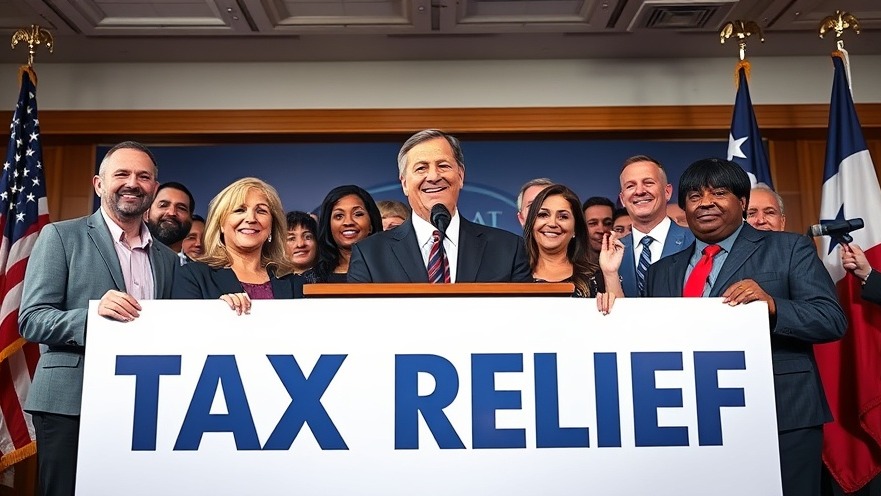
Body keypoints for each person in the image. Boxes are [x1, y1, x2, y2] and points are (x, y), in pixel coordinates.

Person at [645, 157, 846, 496]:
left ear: (741, 202)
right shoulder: (662, 270)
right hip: (693, 420)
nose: (705, 203)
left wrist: (773, 305)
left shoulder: (789, 248)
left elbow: (831, 319)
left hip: (783, 414)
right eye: (694, 196)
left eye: (719, 193)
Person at [19, 141, 179, 496]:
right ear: (99, 184)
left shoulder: (167, 259)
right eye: (121, 173)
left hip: (140, 401)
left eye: (144, 176)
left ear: (153, 187)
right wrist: (94, 316)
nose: (132, 183)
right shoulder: (61, 235)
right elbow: (31, 319)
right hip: (69, 401)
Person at [348, 129, 531, 283]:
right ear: (404, 183)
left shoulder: (507, 249)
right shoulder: (369, 254)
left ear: (460, 176)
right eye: (421, 168)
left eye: (443, 165)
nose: (434, 176)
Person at [172, 177, 302, 312]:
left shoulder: (293, 282)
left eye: (261, 211)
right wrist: (217, 312)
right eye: (239, 210)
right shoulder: (193, 276)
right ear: (221, 224)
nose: (251, 219)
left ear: (272, 226)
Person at [523, 184, 624, 312]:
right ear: (532, 223)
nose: (552, 223)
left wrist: (610, 273)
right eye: (543, 215)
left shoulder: (595, 278)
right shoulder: (513, 274)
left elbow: (621, 323)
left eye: (563, 217)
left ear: (576, 228)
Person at [618, 155, 694, 297]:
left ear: (667, 192)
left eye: (648, 183)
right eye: (630, 186)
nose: (639, 191)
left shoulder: (695, 241)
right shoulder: (613, 251)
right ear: (623, 199)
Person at [311, 184, 383, 283]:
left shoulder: (393, 270)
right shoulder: (312, 279)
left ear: (371, 224)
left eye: (358, 214)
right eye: (339, 216)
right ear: (328, 226)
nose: (348, 222)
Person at [145, 181, 194, 255]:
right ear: (147, 213)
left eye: (181, 208)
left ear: (191, 219)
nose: (172, 213)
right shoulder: (126, 255)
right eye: (163, 205)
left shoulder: (198, 266)